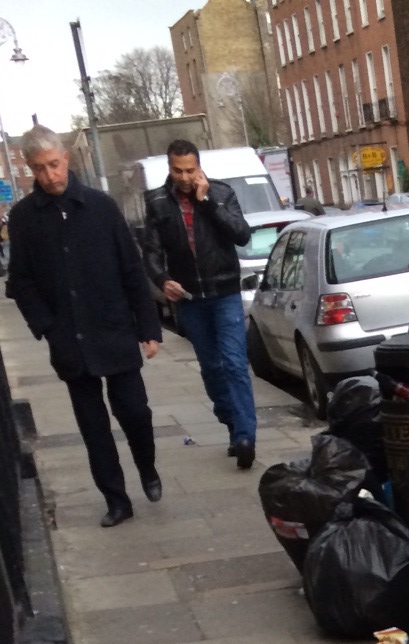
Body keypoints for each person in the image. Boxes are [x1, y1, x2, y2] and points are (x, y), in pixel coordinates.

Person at [6, 126, 162, 527]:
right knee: (94, 428)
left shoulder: (100, 207)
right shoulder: (24, 219)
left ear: (66, 158)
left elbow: (131, 269)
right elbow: (20, 281)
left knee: (135, 412)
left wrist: (148, 327)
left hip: (113, 328)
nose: (49, 176)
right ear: (30, 168)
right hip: (69, 339)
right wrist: (47, 326)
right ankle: (116, 499)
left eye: (53, 164)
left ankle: (147, 467)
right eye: (39, 169)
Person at [143, 139, 259, 469]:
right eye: (178, 171)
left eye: (190, 170)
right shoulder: (157, 202)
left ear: (199, 167)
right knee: (211, 368)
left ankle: (245, 437)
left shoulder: (221, 193)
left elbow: (241, 234)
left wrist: (206, 201)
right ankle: (232, 423)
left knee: (234, 363)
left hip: (225, 292)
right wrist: (163, 279)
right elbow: (150, 252)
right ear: (170, 168)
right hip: (190, 299)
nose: (184, 177)